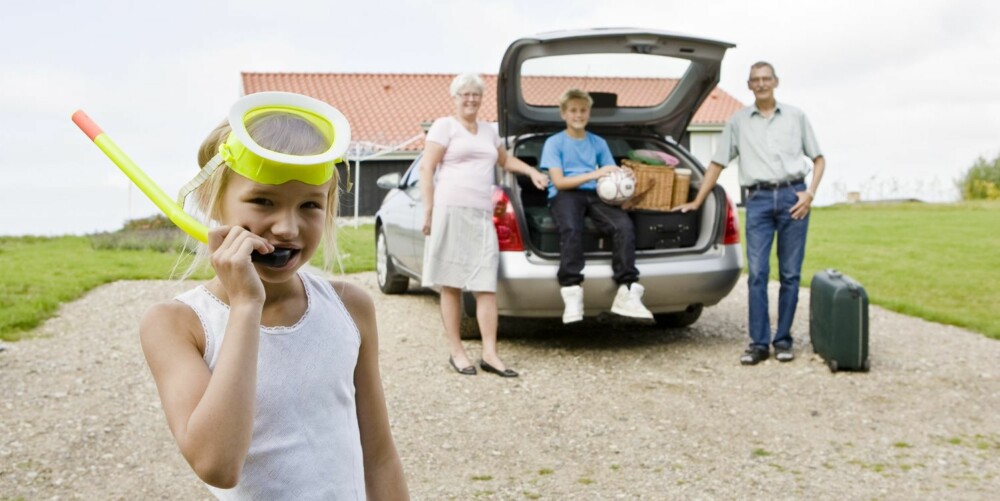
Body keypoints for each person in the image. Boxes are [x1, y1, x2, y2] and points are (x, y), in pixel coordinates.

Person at [140, 92, 409, 499]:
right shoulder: (176, 325)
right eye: (263, 201)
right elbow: (217, 465)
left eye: (309, 206)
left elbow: (379, 456)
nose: (286, 228)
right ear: (209, 200)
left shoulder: (351, 307)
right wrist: (247, 305)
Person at [675, 61, 825, 365]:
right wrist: (697, 200)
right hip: (756, 201)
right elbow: (717, 163)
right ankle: (758, 343)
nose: (761, 84)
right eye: (755, 80)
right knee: (757, 274)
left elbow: (819, 159)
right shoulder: (738, 121)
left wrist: (810, 194)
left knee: (791, 274)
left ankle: (783, 340)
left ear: (776, 81)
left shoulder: (796, 117)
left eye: (766, 79)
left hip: (792, 198)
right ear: (749, 85)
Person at [420, 73, 549, 378]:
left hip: (481, 214)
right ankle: (457, 352)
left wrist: (531, 171)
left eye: (475, 94)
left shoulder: (490, 131)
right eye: (464, 94)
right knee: (450, 283)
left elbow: (504, 161)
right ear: (455, 98)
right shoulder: (444, 126)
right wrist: (429, 210)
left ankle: (490, 354)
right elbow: (427, 167)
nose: (471, 99)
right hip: (449, 209)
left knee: (485, 285)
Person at [540, 88, 654, 324]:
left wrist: (625, 180)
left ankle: (627, 288)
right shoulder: (554, 143)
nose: (578, 115)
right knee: (572, 228)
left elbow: (610, 176)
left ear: (589, 113)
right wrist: (594, 173)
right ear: (563, 114)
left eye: (583, 110)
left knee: (623, 225)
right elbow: (559, 182)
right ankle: (572, 290)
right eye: (573, 110)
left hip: (596, 193)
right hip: (565, 194)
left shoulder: (598, 143)